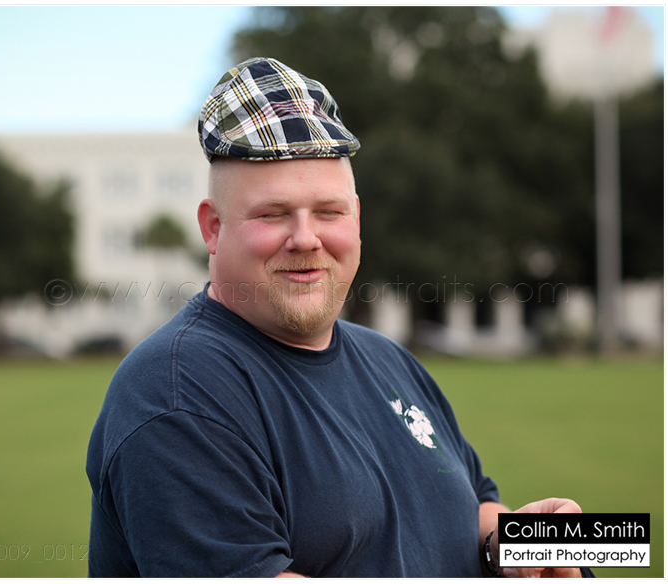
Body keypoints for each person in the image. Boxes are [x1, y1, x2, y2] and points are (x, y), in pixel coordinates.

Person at [86, 57, 590, 578]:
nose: (306, 238)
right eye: (273, 214)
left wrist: (528, 549)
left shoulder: (389, 360)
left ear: (356, 217)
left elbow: (474, 508)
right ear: (213, 227)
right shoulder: (176, 391)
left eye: (329, 212)